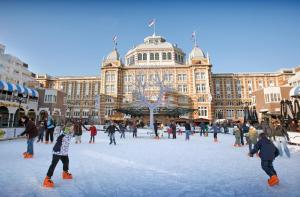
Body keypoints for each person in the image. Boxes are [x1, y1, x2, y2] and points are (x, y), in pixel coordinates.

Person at [43, 122, 74, 188]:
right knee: (53, 164)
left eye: (72, 127)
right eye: (71, 127)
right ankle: (47, 178)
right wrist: (65, 130)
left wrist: (71, 131)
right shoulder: (63, 132)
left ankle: (65, 173)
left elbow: (72, 134)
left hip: (64, 152)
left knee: (66, 162)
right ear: (68, 128)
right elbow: (59, 137)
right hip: (58, 151)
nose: (72, 128)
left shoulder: (70, 133)